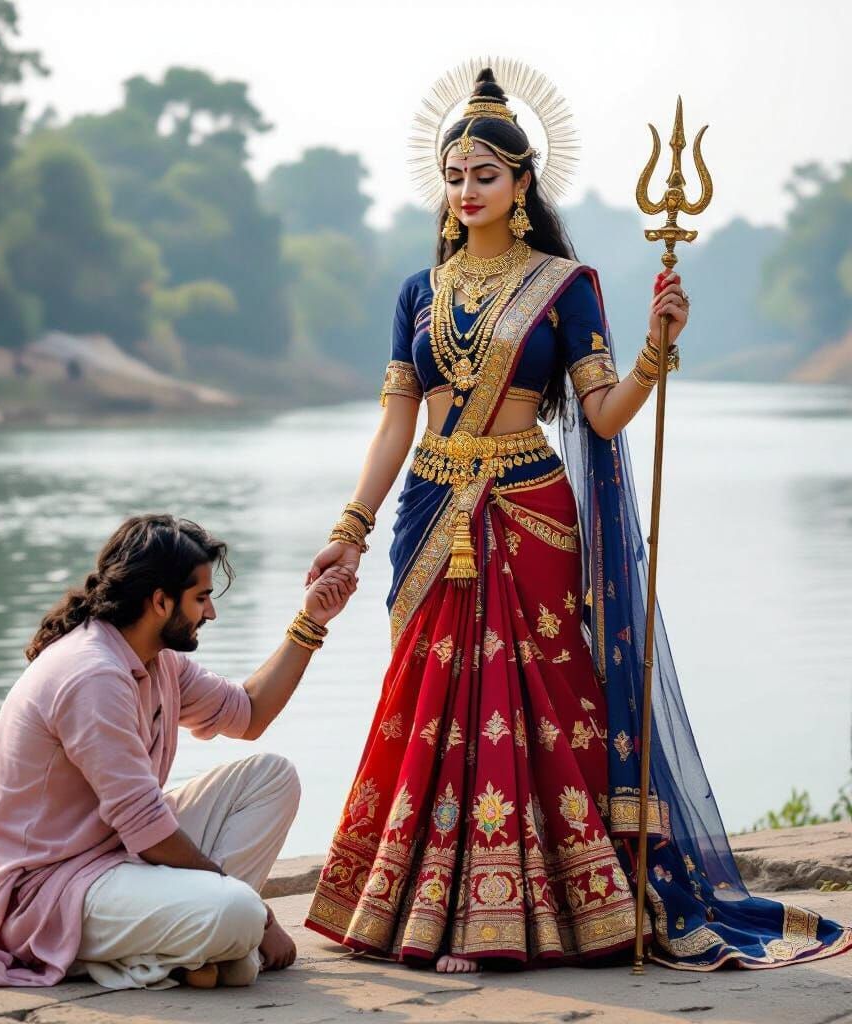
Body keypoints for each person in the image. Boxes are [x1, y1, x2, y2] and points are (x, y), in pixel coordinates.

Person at [304, 62, 852, 974]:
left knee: (538, 701)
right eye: (454, 176)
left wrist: (654, 352)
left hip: (528, 512)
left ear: (522, 185)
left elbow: (600, 416)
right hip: (434, 507)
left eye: (485, 174)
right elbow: (397, 420)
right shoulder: (419, 292)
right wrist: (350, 527)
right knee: (430, 697)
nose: (466, 191)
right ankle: (427, 907)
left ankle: (559, 907)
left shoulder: (568, 286)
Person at [0, 513, 357, 991]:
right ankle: (204, 943)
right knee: (241, 912)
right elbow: (147, 827)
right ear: (160, 602)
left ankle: (199, 949)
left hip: (115, 860)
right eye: (201, 598)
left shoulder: (155, 660)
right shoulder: (93, 675)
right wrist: (263, 914)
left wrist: (311, 619)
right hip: (47, 898)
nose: (211, 612)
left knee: (270, 777)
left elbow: (248, 714)